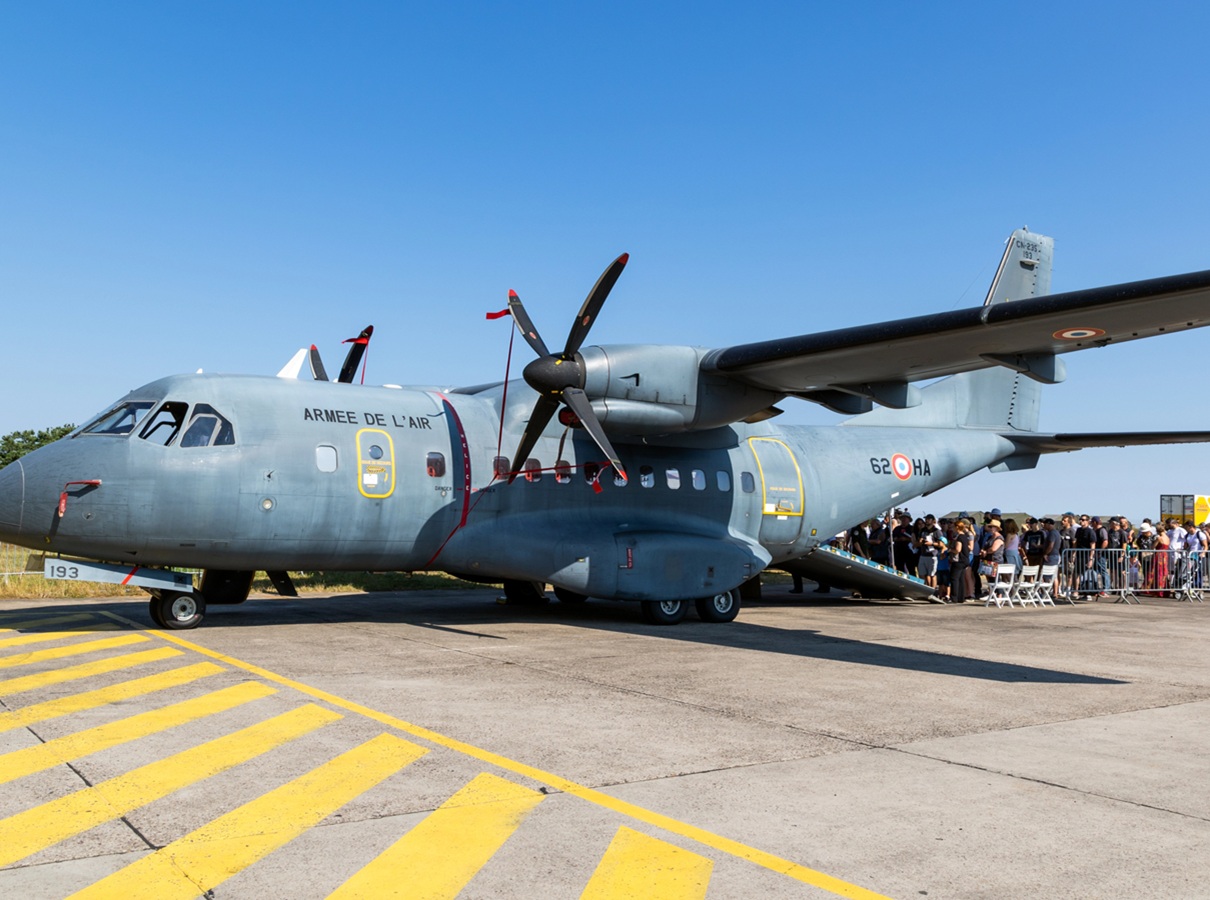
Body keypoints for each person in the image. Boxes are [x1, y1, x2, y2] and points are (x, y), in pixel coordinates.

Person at [916, 514, 945, 590]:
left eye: (929, 519)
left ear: (933, 521)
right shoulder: (923, 530)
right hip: (923, 554)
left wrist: (931, 543)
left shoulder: (937, 531)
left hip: (932, 555)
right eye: (926, 519)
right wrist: (921, 541)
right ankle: (926, 588)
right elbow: (918, 541)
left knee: (932, 574)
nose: (927, 520)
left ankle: (933, 590)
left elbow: (941, 544)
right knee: (922, 573)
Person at [949, 519, 974, 603]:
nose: (952, 529)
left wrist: (950, 550)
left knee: (954, 578)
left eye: (953, 527)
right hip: (965, 560)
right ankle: (961, 597)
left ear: (957, 527)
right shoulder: (964, 537)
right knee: (961, 579)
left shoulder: (959, 537)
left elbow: (957, 549)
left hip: (959, 560)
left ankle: (954, 597)